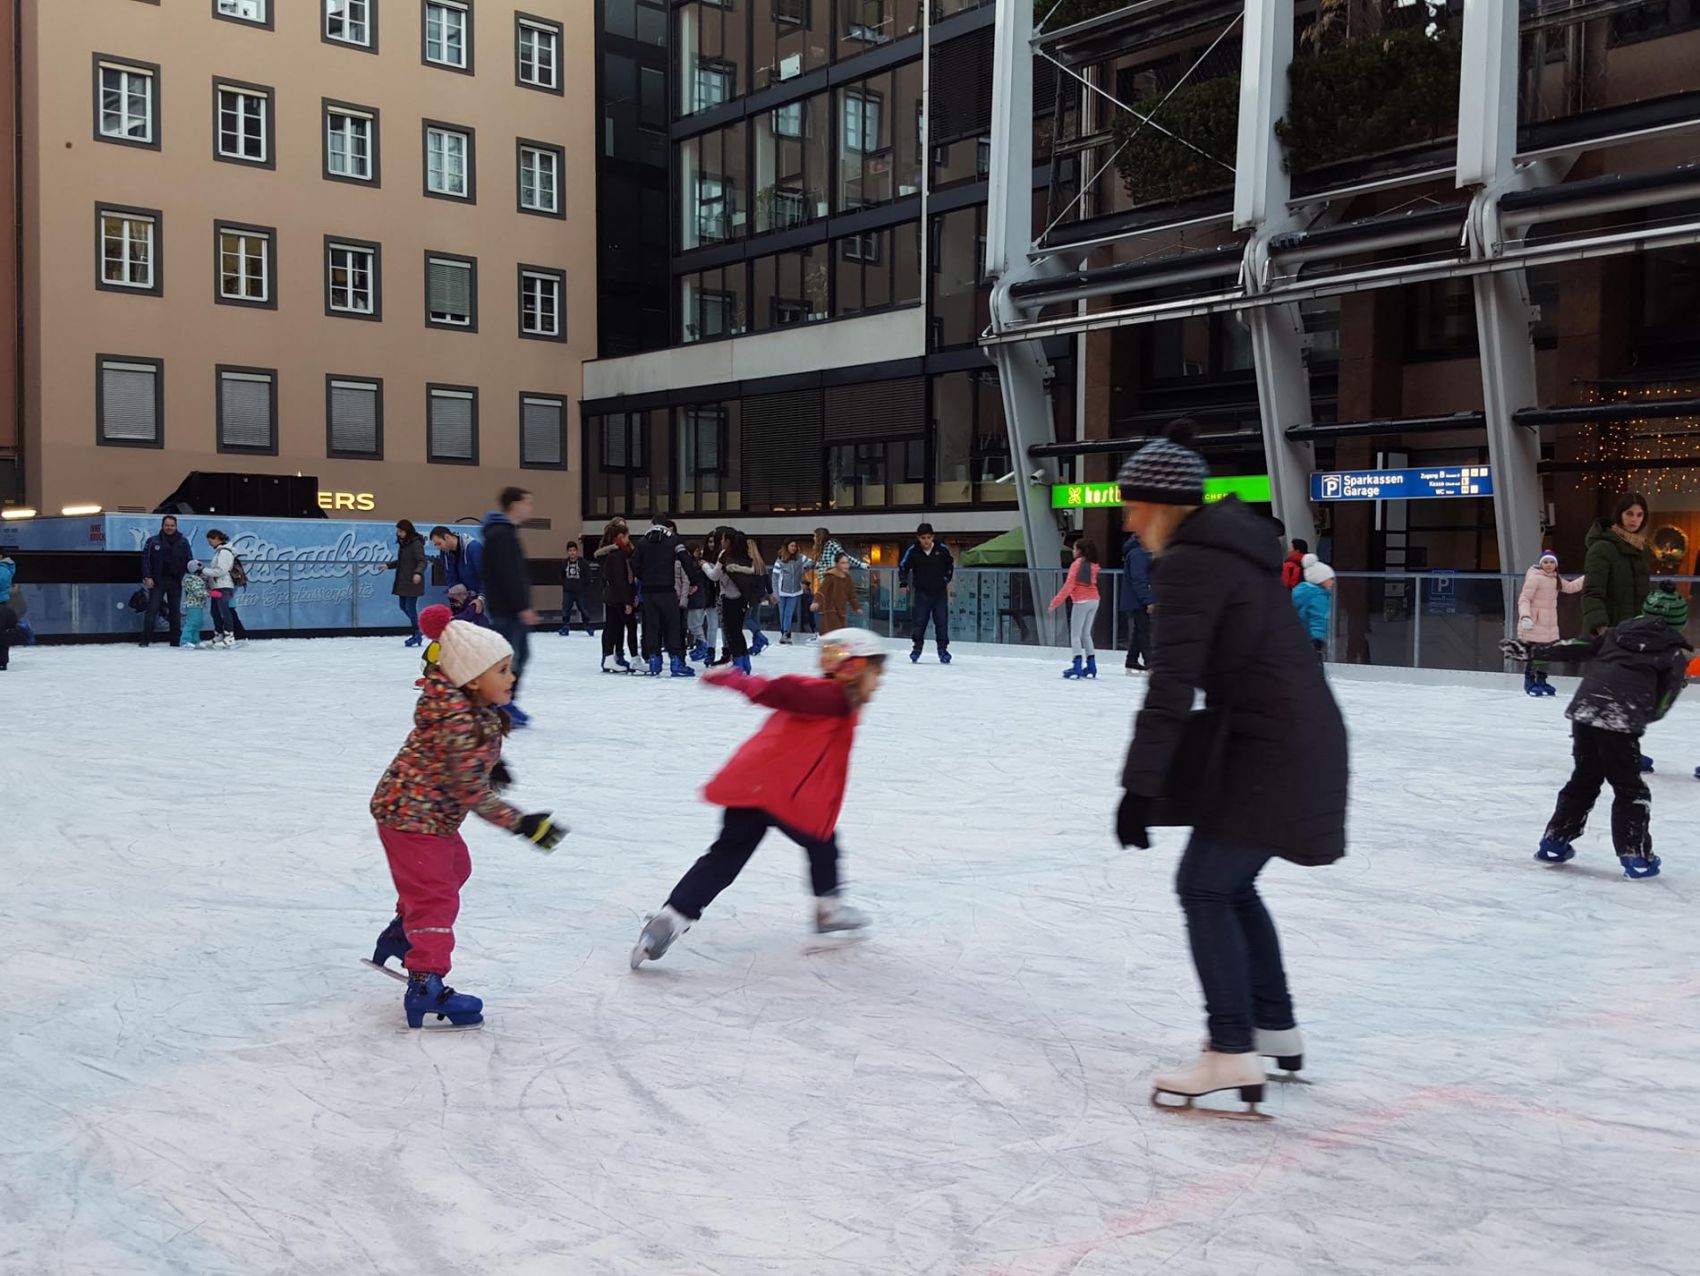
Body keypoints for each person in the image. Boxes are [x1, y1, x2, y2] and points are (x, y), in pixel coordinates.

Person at [1115, 420, 1348, 1115]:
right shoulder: (1232, 552)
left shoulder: (1190, 562)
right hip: (1289, 738)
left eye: (1132, 505)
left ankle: (1230, 1049)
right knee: (1231, 885)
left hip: (1270, 746)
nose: (1127, 520)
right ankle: (1273, 1025)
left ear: (1160, 505)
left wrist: (1138, 787)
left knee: (1205, 886)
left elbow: (1169, 683)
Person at [629, 629, 884, 967]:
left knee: (724, 857)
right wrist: (739, 681)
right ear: (855, 668)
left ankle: (671, 918)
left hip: (751, 789)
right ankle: (828, 909)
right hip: (784, 797)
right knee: (822, 841)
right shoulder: (831, 697)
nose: (878, 683)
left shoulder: (834, 699)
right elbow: (786, 690)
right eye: (876, 673)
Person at [368, 604, 565, 1027]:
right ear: (474, 679)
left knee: (456, 867)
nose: (512, 677)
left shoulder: (466, 708)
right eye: (503, 670)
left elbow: (463, 766)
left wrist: (491, 765)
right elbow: (470, 791)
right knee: (436, 896)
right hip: (412, 820)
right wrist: (522, 823)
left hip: (423, 815)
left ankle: (402, 933)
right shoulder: (457, 720)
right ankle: (426, 982)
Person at [1502, 585, 1690, 881]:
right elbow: (1663, 703)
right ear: (1680, 622)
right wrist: (1641, 716)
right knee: (1630, 789)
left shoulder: (1614, 635)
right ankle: (1635, 855)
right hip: (1620, 720)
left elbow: (1576, 645)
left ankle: (1554, 842)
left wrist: (1533, 651)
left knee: (1585, 779)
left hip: (1586, 711)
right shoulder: (1674, 654)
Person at [1583, 492, 1656, 769]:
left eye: (1639, 515)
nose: (1634, 520)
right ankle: (1600, 747)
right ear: (1619, 515)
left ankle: (1617, 747)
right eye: (1629, 514)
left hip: (1636, 633)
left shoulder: (1641, 549)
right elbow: (1592, 591)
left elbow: (1641, 595)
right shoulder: (1603, 548)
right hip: (1611, 631)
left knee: (1629, 696)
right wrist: (1601, 627)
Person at [481, 488, 537, 726]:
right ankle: (501, 704)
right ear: (514, 505)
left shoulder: (504, 533)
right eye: (527, 503)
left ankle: (503, 702)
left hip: (507, 607)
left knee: (516, 656)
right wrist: (522, 606)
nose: (530, 508)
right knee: (511, 659)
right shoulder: (502, 535)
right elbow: (508, 574)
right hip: (507, 609)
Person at [632, 515, 705, 677]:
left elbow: (634, 563)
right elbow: (686, 560)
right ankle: (676, 662)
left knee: (651, 626)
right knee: (673, 626)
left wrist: (645, 577)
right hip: (667, 590)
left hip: (648, 591)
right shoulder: (674, 541)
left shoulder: (643, 541)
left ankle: (654, 661)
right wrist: (694, 580)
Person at [1517, 551, 1583, 697]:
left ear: (1556, 565)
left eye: (1551, 562)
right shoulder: (1535, 578)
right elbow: (1524, 599)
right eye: (1545, 562)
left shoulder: (1555, 579)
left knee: (1546, 656)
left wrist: (1588, 577)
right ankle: (1529, 681)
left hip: (1550, 626)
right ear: (1541, 564)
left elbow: (1571, 588)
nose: (1548, 565)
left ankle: (1541, 680)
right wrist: (1525, 616)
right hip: (1534, 624)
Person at [702, 527, 767, 673]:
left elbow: (714, 575)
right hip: (743, 598)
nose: (721, 541)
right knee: (738, 631)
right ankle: (744, 662)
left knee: (732, 632)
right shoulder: (744, 556)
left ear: (729, 541)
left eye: (724, 539)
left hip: (729, 597)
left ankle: (739, 663)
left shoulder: (725, 555)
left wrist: (704, 565)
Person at [899, 523, 955, 665]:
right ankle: (917, 648)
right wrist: (903, 582)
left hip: (939, 593)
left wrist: (945, 579)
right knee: (920, 622)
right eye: (923, 538)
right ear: (918, 538)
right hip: (922, 593)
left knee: (941, 622)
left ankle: (943, 650)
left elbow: (950, 564)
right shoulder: (913, 551)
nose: (926, 541)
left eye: (929, 537)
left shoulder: (942, 550)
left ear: (933, 537)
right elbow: (903, 566)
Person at [1050, 538, 1102, 679]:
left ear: (1079, 550)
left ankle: (1077, 666)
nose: (1073, 551)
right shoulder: (1093, 564)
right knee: (1086, 634)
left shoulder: (1077, 564)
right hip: (1094, 600)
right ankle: (1091, 666)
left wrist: (1055, 602)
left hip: (1081, 600)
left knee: (1075, 635)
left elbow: (1069, 585)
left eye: (1074, 548)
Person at [139, 514, 192, 647]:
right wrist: (147, 576)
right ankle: (145, 640)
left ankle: (175, 641)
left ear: (176, 526)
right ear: (162, 526)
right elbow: (146, 560)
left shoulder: (183, 542)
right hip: (157, 581)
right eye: (167, 525)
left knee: (175, 612)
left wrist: (188, 576)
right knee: (152, 610)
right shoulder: (152, 541)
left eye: (172, 525)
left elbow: (189, 561)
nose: (169, 528)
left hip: (176, 581)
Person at [596, 524, 638, 673]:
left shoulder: (616, 553)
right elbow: (621, 580)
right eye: (627, 536)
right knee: (629, 625)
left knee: (612, 627)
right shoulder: (618, 555)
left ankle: (608, 659)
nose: (629, 539)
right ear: (620, 536)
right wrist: (628, 601)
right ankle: (634, 659)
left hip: (612, 596)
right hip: (618, 597)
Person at [389, 520, 428, 648]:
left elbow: (422, 561)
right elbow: (402, 562)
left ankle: (418, 632)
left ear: (407, 531)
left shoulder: (416, 544)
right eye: (398, 531)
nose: (398, 534)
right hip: (403, 582)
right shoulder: (404, 544)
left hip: (412, 581)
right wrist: (388, 565)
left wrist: (417, 573)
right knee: (403, 606)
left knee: (410, 607)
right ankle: (419, 628)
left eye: (400, 531)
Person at [1120, 529, 1153, 675]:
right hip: (1138, 599)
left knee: (1140, 630)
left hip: (1137, 599)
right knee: (1145, 631)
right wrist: (1148, 600)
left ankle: (1132, 660)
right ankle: (1150, 663)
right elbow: (1139, 579)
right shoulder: (1138, 554)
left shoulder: (1138, 553)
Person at [771, 539, 816, 645]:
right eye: (791, 546)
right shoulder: (780, 561)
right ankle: (784, 634)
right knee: (782, 614)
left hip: (795, 592)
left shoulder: (800, 558)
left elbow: (811, 562)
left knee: (788, 614)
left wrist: (806, 567)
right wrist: (775, 593)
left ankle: (786, 634)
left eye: (795, 546)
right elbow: (775, 578)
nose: (793, 548)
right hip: (781, 592)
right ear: (787, 547)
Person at [1291, 555, 1335, 659]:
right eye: (1330, 579)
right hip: (1312, 640)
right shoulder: (1318, 596)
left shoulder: (1302, 592)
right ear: (1320, 579)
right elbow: (1318, 618)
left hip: (1299, 637)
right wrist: (1318, 641)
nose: (1333, 582)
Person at [201, 530, 238, 650]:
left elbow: (221, 571)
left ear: (217, 538)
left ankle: (229, 636)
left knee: (224, 611)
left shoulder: (224, 552)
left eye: (210, 540)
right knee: (215, 611)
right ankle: (219, 634)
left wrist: (203, 570)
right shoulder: (219, 552)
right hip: (216, 586)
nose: (209, 543)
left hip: (224, 586)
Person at [429, 525, 484, 602]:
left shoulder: (474, 548)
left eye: (439, 543)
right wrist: (455, 587)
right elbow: (449, 573)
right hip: (464, 597)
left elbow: (485, 576)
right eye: (435, 545)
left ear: (447, 537)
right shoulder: (444, 552)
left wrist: (481, 597)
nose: (438, 547)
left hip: (481, 596)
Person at [685, 543, 717, 662]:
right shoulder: (698, 564)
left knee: (694, 624)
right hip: (701, 597)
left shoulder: (696, 565)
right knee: (695, 623)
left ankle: (702, 644)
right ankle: (701, 644)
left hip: (698, 597)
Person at [813, 553, 860, 634]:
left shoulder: (847, 578)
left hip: (841, 611)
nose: (846, 565)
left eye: (847, 562)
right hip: (830, 610)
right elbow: (822, 590)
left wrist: (856, 607)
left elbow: (851, 594)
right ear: (837, 564)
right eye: (843, 563)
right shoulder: (831, 576)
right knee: (834, 634)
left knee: (840, 634)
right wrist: (816, 602)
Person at [557, 541, 593, 636]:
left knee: (583, 608)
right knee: (566, 608)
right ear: (567, 552)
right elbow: (561, 575)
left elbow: (588, 575)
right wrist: (565, 584)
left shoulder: (583, 563)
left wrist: (584, 586)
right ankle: (565, 625)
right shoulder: (564, 563)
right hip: (568, 590)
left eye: (574, 550)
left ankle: (587, 625)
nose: (572, 552)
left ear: (577, 551)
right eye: (570, 550)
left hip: (580, 591)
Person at [180, 560, 209, 649]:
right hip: (193, 604)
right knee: (192, 623)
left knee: (198, 623)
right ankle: (184, 641)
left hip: (198, 604)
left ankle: (195, 641)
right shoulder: (191, 579)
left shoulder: (196, 578)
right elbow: (197, 592)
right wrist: (209, 593)